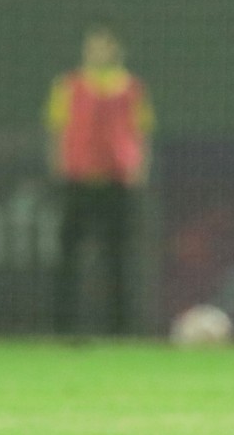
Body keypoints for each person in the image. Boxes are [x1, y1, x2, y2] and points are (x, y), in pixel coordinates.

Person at [45, 24, 154, 335]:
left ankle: (120, 330)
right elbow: (57, 130)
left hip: (116, 183)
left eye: (105, 45)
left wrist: (138, 171)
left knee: (118, 258)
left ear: (116, 49)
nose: (98, 51)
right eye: (93, 45)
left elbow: (141, 133)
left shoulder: (131, 89)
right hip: (78, 182)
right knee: (69, 257)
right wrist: (59, 167)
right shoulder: (68, 85)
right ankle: (63, 329)